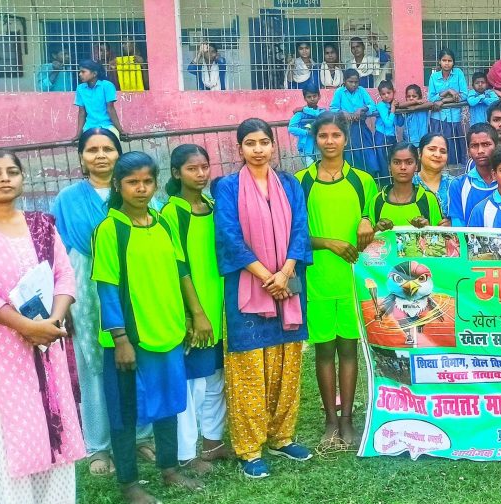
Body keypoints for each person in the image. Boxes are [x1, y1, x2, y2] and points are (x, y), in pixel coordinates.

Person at [0, 149, 84, 504]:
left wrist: (52, 322)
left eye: (12, 171)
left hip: (47, 346)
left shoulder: (41, 226)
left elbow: (64, 276)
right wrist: (26, 327)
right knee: (10, 441)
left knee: (55, 439)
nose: (5, 178)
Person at [92, 152, 205, 504]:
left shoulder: (162, 223)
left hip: (167, 333)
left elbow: (179, 271)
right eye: (132, 182)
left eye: (147, 181)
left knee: (168, 404)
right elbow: (107, 288)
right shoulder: (110, 229)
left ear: (156, 183)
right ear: (118, 185)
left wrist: (190, 317)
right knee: (125, 413)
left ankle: (169, 469)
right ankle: (129, 484)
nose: (140, 189)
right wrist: (120, 339)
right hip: (130, 340)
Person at [213, 119, 313, 478]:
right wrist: (266, 276)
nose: (258, 149)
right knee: (250, 370)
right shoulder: (227, 187)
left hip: (288, 285)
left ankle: (282, 436)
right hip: (248, 289)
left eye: (264, 142)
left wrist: (285, 273)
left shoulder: (289, 184)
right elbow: (229, 236)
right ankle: (250, 448)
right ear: (239, 148)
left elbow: (300, 229)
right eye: (250, 143)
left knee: (288, 364)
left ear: (274, 145)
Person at [52, 129, 150, 476]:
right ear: (81, 157)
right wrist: (62, 303)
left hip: (134, 282)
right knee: (93, 364)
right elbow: (58, 253)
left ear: (118, 153)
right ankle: (98, 445)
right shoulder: (67, 199)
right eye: (92, 150)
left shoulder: (136, 190)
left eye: (108, 148)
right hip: (85, 287)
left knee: (137, 357)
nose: (100, 155)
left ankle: (141, 435)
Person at [294, 113, 378, 451]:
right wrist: (328, 243)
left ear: (346, 138)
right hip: (318, 280)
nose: (330, 141)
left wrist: (367, 219)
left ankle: (347, 420)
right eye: (323, 136)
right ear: (315, 140)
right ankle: (330, 420)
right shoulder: (301, 181)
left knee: (349, 350)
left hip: (352, 279)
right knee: (325, 351)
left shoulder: (363, 181)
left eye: (336, 135)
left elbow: (375, 223)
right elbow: (294, 234)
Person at [160, 145, 230, 475]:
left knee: (216, 377)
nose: (201, 174)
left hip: (219, 307)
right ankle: (187, 452)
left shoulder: (214, 207)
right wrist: (194, 313)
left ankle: (213, 441)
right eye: (192, 169)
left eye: (204, 167)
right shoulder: (172, 213)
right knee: (193, 384)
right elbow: (178, 267)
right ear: (176, 173)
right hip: (195, 311)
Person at [373, 143, 448, 227]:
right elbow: (369, 231)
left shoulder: (428, 199)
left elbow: (438, 233)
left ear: (416, 166)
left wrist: (427, 228)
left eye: (409, 162)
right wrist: (376, 230)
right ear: (389, 167)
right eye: (396, 162)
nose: (403, 167)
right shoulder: (377, 200)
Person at [329, 69, 382, 177]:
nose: (354, 84)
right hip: (345, 129)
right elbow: (332, 109)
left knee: (366, 151)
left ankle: (370, 177)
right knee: (349, 152)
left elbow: (372, 105)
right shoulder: (339, 92)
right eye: (350, 82)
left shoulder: (361, 91)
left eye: (356, 82)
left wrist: (362, 109)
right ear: (344, 81)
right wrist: (342, 112)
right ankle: (351, 176)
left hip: (361, 127)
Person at [447, 124, 500, 226]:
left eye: (486, 144)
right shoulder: (458, 185)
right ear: (468, 151)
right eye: (474, 146)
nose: (480, 151)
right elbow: (458, 226)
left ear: (496, 147)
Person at [428, 49, 469, 164]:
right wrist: (448, 91)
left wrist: (443, 101)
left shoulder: (458, 73)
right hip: (437, 118)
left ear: (453, 62)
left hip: (454, 117)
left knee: (453, 148)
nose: (447, 63)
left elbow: (464, 95)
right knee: (437, 145)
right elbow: (431, 98)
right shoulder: (434, 77)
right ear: (439, 62)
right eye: (444, 60)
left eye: (449, 61)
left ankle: (453, 170)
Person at [75, 59, 128, 141]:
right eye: (80, 72)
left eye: (83, 72)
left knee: (114, 145)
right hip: (89, 127)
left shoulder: (107, 86)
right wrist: (78, 135)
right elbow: (82, 113)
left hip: (107, 126)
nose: (80, 74)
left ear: (94, 73)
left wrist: (121, 131)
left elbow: (110, 109)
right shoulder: (80, 88)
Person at [415, 132, 456, 215]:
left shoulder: (454, 185)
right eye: (431, 149)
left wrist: (453, 221)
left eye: (443, 151)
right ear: (419, 153)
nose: (438, 155)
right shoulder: (409, 185)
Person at [289, 88, 326, 166]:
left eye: (314, 96)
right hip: (306, 148)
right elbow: (291, 128)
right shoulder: (300, 114)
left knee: (323, 170)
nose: (312, 99)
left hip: (322, 147)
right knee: (310, 171)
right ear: (305, 98)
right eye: (309, 97)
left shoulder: (322, 111)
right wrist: (307, 132)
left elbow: (320, 115)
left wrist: (304, 109)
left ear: (319, 96)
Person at [374, 80, 399, 154]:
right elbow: (388, 124)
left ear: (393, 92)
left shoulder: (392, 104)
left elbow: (400, 123)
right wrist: (393, 110)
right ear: (380, 95)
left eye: (389, 93)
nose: (386, 96)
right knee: (383, 159)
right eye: (383, 94)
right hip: (381, 136)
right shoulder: (381, 105)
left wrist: (398, 110)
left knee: (392, 157)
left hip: (392, 136)